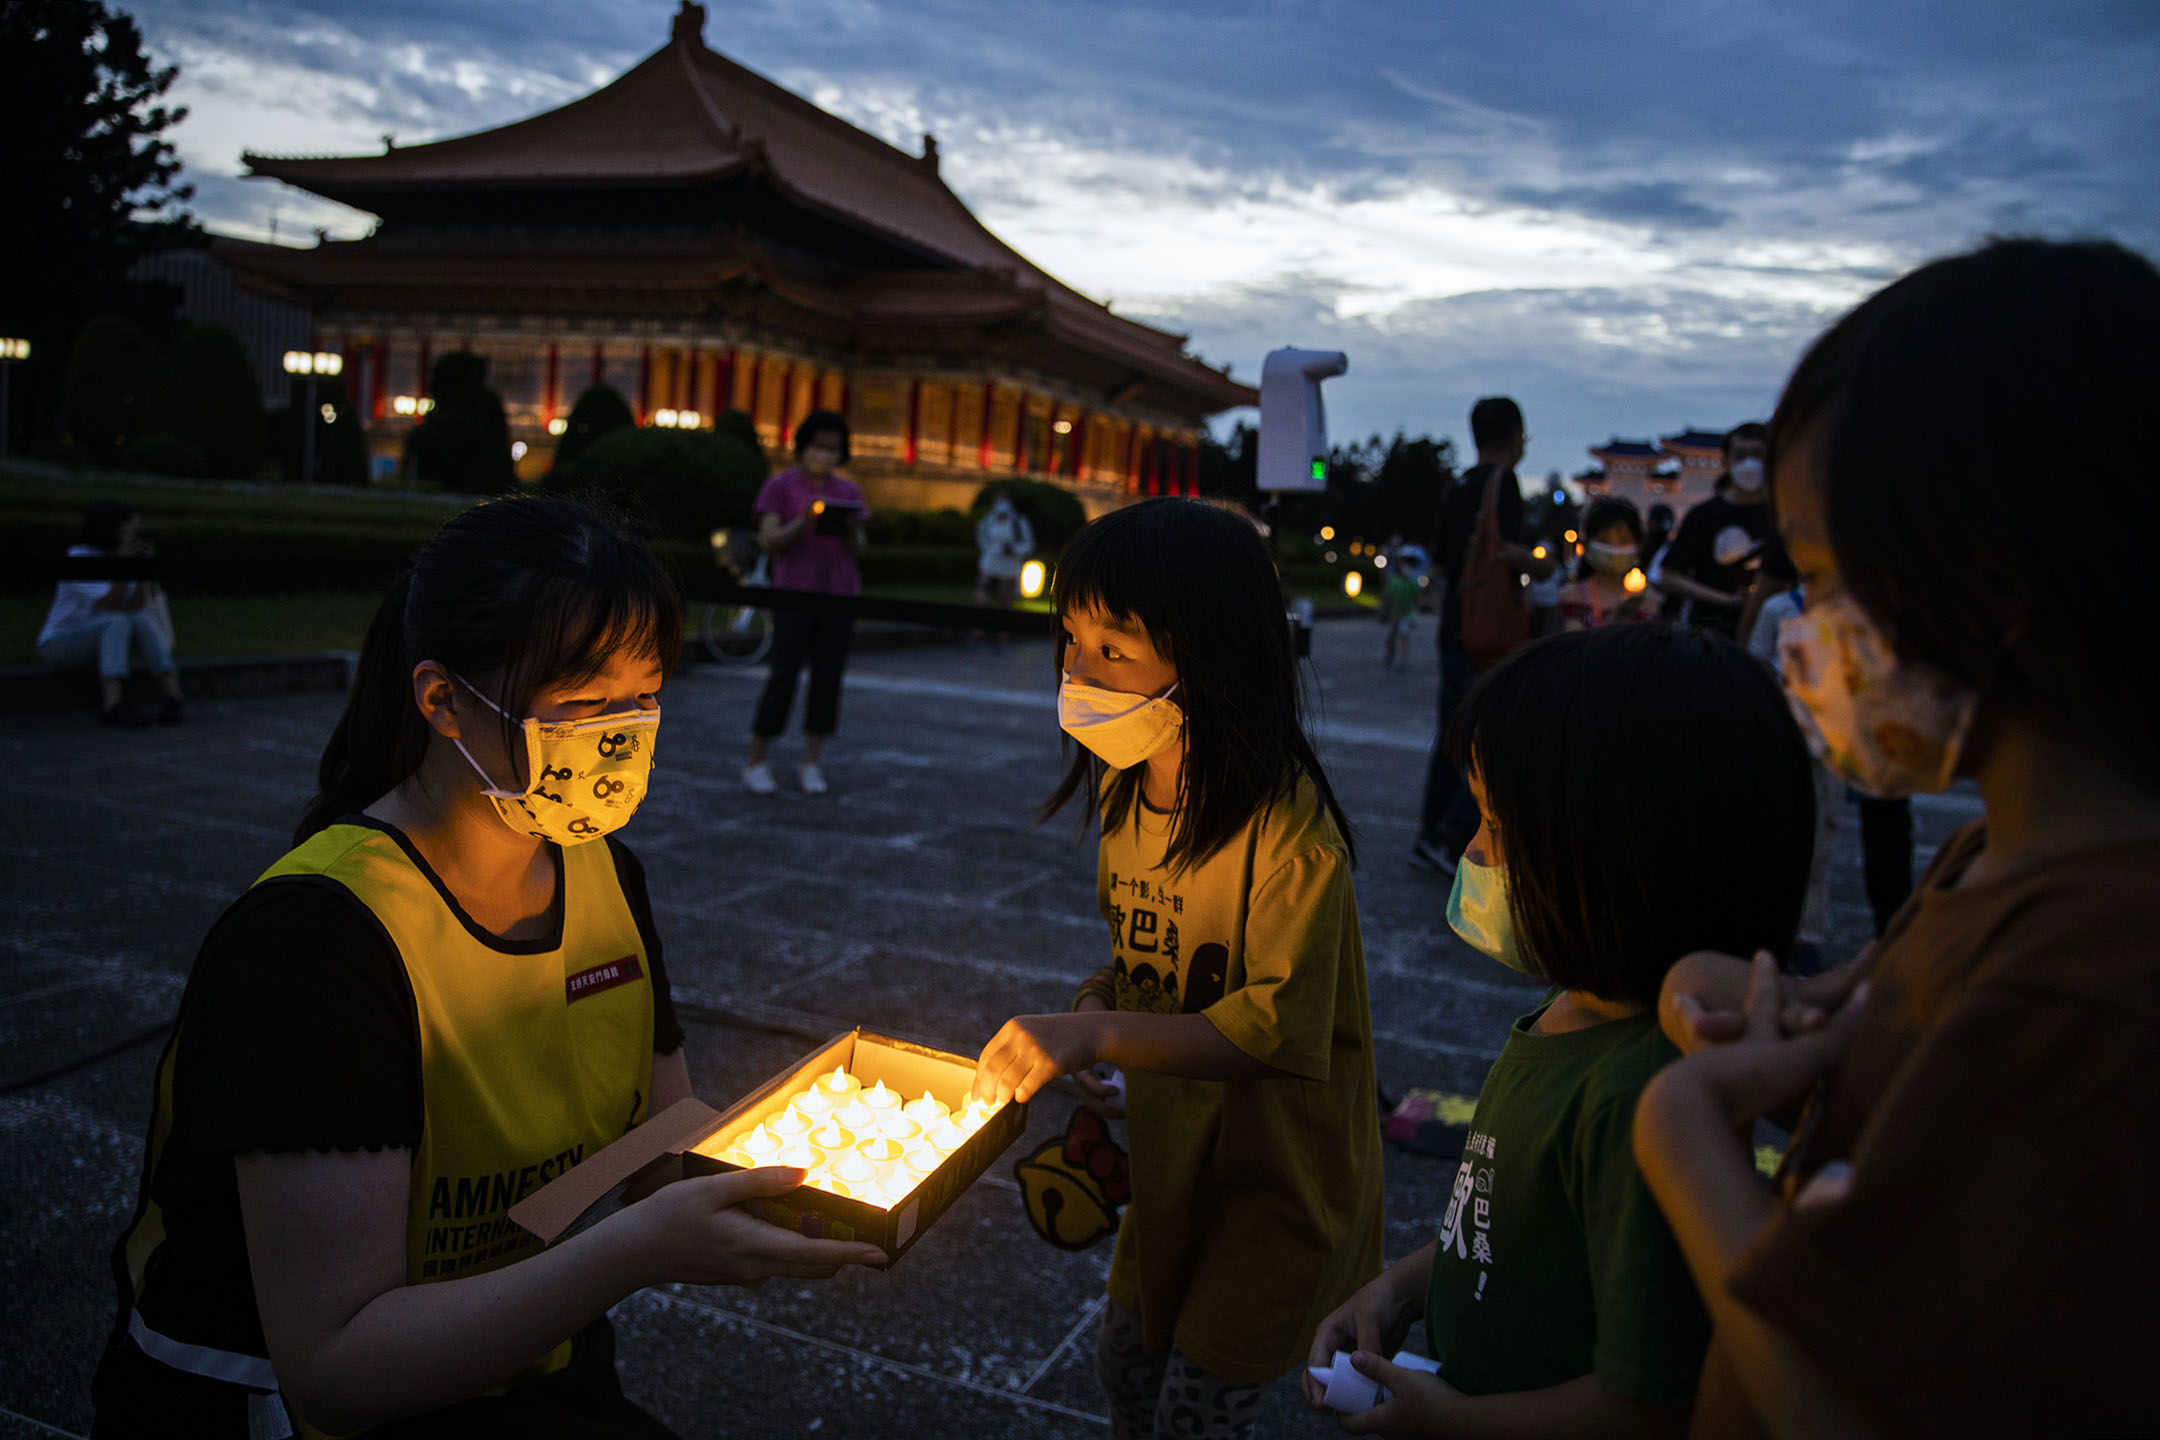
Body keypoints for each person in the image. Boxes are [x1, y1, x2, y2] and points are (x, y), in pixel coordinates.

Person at [91, 496, 884, 1439]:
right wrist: (633, 1253)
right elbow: (334, 1367)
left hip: (526, 1368)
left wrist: (819, 1163)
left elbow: (658, 1148)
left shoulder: (600, 873)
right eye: (584, 703)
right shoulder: (318, 941)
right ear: (443, 699)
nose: (621, 736)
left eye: (645, 694)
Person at [1634, 237, 2160, 1437]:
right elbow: (1893, 1078)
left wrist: (1682, 1133)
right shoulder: (1993, 862)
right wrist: (1751, 1007)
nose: (1805, 632)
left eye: (1821, 579)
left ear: (1995, 578)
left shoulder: (2096, 983)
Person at [1306, 623, 1815, 1438]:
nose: (1471, 853)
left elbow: (1646, 1403)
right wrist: (1400, 1288)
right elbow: (1517, 1240)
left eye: (1496, 829)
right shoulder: (1564, 1013)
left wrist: (1458, 1423)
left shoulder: (1639, 1093)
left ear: (1623, 855)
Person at [972, 497, 1385, 1440]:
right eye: (1071, 639)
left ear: (1209, 657)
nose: (1078, 670)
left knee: (1196, 1410)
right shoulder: (1129, 792)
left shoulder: (1290, 838)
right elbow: (1138, 962)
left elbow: (1275, 1033)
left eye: (1113, 649)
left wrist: (1097, 1034)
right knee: (1125, 1362)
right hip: (1171, 1164)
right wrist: (1091, 1016)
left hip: (1271, 1183)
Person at [1411, 397, 1554, 876]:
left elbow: (1446, 558)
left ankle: (1429, 836)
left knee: (1451, 735)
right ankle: (1449, 837)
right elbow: (1506, 551)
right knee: (1487, 738)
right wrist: (1542, 563)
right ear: (1514, 435)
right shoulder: (1501, 483)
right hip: (1485, 631)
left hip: (1457, 623)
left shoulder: (1458, 486)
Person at [742, 410, 867, 797]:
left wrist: (847, 526)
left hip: (839, 595)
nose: (825, 456)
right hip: (793, 592)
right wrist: (808, 517)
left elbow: (861, 549)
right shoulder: (779, 486)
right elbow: (770, 539)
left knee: (828, 680)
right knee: (783, 675)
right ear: (803, 447)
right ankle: (757, 759)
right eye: (818, 447)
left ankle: (812, 761)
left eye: (833, 449)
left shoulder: (848, 492)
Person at [37, 500, 186, 726]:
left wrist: (142, 568)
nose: (133, 534)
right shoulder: (79, 557)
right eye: (129, 528)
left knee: (140, 616)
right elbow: (111, 604)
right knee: (116, 620)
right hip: (61, 644)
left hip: (105, 637)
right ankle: (113, 702)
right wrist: (122, 563)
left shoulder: (120, 556)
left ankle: (173, 696)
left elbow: (134, 607)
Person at [1651, 424, 1778, 638]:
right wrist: (1727, 600)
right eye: (1741, 455)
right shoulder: (1703, 515)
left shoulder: (1781, 514)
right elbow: (1669, 576)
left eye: (1757, 455)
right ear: (1725, 462)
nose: (1749, 463)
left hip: (1771, 631)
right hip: (1710, 632)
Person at [1559, 498, 1658, 630]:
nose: (1614, 548)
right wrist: (1618, 618)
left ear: (1639, 546)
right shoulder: (1572, 596)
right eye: (1603, 540)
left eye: (1624, 541)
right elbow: (1573, 645)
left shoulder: (1650, 599)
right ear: (1587, 544)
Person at [972, 487, 1036, 606]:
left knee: (1005, 600)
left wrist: (1014, 550)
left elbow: (1028, 544)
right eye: (998, 500)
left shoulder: (1019, 522)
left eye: (1004, 499)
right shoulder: (988, 521)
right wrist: (989, 550)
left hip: (1010, 567)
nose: (1001, 503)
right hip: (989, 564)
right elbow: (981, 538)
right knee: (981, 596)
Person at [1378, 548, 1422, 668]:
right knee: (1392, 636)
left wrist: (1415, 614)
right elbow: (1387, 597)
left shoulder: (1413, 584)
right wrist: (1383, 611)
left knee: (1404, 636)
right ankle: (1390, 654)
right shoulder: (1394, 582)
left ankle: (1402, 659)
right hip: (1394, 613)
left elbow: (1416, 599)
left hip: (1406, 615)